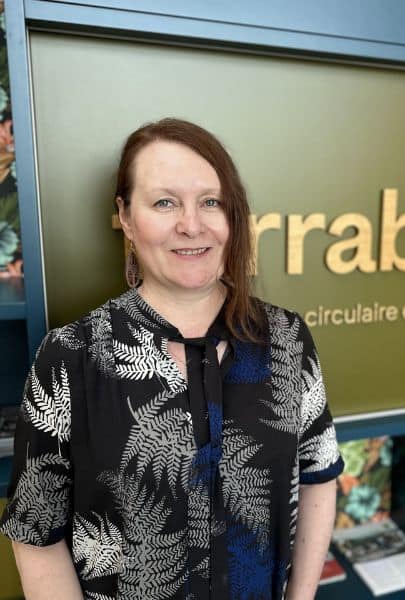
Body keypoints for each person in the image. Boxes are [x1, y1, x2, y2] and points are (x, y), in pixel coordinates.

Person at [0, 118, 344, 599]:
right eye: (165, 202)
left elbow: (317, 476)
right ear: (125, 216)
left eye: (211, 202)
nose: (191, 224)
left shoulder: (287, 339)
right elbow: (37, 532)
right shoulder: (70, 357)